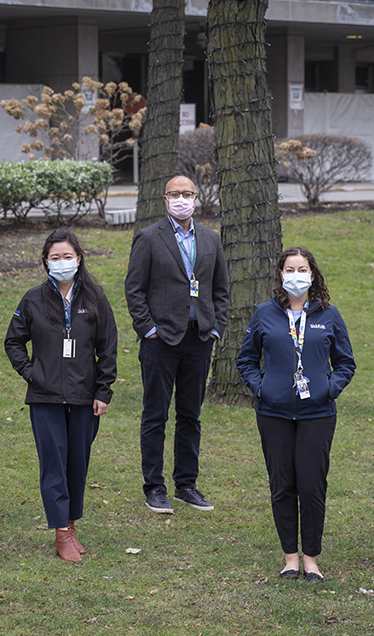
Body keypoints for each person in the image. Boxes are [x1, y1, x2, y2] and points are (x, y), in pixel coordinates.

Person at [237, 247, 355, 582]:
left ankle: (311, 558)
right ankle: (290, 556)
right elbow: (246, 359)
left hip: (317, 413)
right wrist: (261, 387)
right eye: (289, 269)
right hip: (273, 413)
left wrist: (329, 387)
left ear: (313, 275)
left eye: (302, 269)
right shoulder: (264, 314)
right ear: (280, 275)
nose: (296, 275)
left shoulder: (328, 315)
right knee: (282, 484)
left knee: (312, 485)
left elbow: (346, 362)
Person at [5, 229, 117, 563]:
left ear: (79, 259)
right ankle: (60, 533)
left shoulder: (95, 298)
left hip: (85, 397)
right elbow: (13, 341)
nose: (62, 263)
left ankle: (70, 523)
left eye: (68, 257)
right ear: (45, 262)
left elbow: (107, 347)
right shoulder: (33, 299)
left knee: (77, 464)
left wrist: (103, 390)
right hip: (45, 398)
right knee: (54, 464)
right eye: (55, 258)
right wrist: (31, 373)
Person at [125, 175, 230, 514]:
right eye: (175, 194)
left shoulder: (211, 239)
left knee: (191, 415)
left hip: (198, 339)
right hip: (161, 341)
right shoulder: (149, 238)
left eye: (187, 193)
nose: (182, 199)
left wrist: (215, 329)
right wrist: (148, 330)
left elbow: (221, 291)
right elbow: (134, 290)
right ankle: (154, 487)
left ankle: (186, 484)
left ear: (196, 198)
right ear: (165, 198)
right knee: (155, 415)